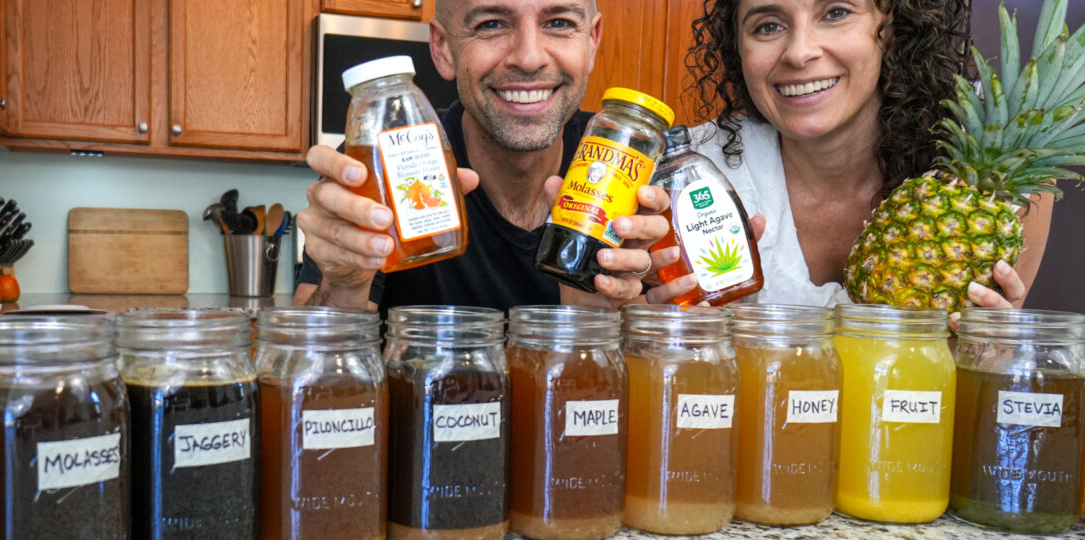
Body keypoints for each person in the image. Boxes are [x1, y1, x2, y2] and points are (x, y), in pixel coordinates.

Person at [660, 0, 1051, 308]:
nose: (799, 52)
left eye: (835, 13)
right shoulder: (683, 177)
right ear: (738, 47)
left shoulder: (991, 171)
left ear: (893, 29)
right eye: (769, 25)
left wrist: (991, 345)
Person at [294, 0, 676, 312]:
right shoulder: (385, 166)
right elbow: (305, 382)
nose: (528, 58)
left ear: (592, 40)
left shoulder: (635, 169)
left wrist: (601, 320)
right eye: (491, 24)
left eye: (559, 22)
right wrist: (342, 288)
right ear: (443, 49)